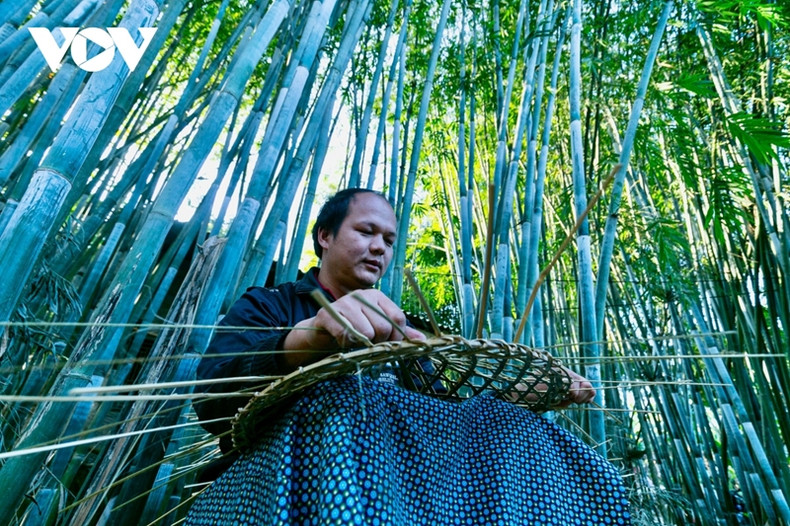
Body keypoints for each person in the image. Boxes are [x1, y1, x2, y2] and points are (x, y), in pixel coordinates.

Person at [187, 188, 630, 525]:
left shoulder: (408, 331)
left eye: (389, 239)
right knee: (345, 398)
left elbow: (448, 413)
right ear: (325, 236)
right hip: (274, 484)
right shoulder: (271, 306)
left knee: (522, 428)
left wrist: (517, 394)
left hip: (406, 488)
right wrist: (310, 337)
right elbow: (211, 403)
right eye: (366, 232)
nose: (380, 247)